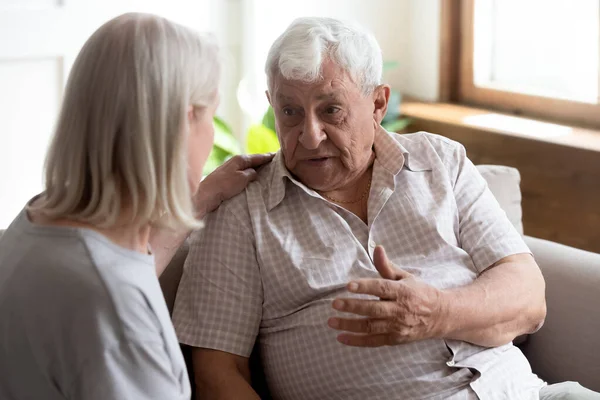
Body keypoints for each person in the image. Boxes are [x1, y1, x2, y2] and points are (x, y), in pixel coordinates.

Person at [172, 17, 600, 400]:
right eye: (289, 111)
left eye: (331, 109)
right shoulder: (242, 209)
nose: (310, 135)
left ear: (377, 103)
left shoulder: (441, 162)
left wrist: (436, 313)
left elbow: (528, 298)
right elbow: (217, 374)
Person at [0, 13, 272, 400]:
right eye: (210, 116)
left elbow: (119, 269)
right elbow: (111, 294)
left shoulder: (37, 221)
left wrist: (198, 201)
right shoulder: (111, 310)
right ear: (183, 123)